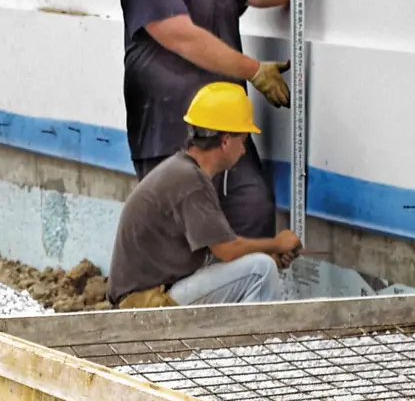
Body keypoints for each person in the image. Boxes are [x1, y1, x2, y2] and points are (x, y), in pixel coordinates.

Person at [119, 0, 318, 238]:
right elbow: (183, 37)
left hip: (226, 131)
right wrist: (255, 70)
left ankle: (238, 295)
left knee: (253, 213)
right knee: (180, 237)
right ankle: (180, 298)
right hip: (168, 134)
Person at [108, 83, 302, 306]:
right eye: (243, 140)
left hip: (146, 295)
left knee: (261, 264)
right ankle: (252, 341)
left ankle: (239, 337)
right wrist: (277, 244)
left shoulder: (183, 171)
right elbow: (228, 250)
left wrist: (270, 253)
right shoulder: (191, 181)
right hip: (146, 304)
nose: (244, 150)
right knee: (261, 269)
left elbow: (214, 254)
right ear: (226, 141)